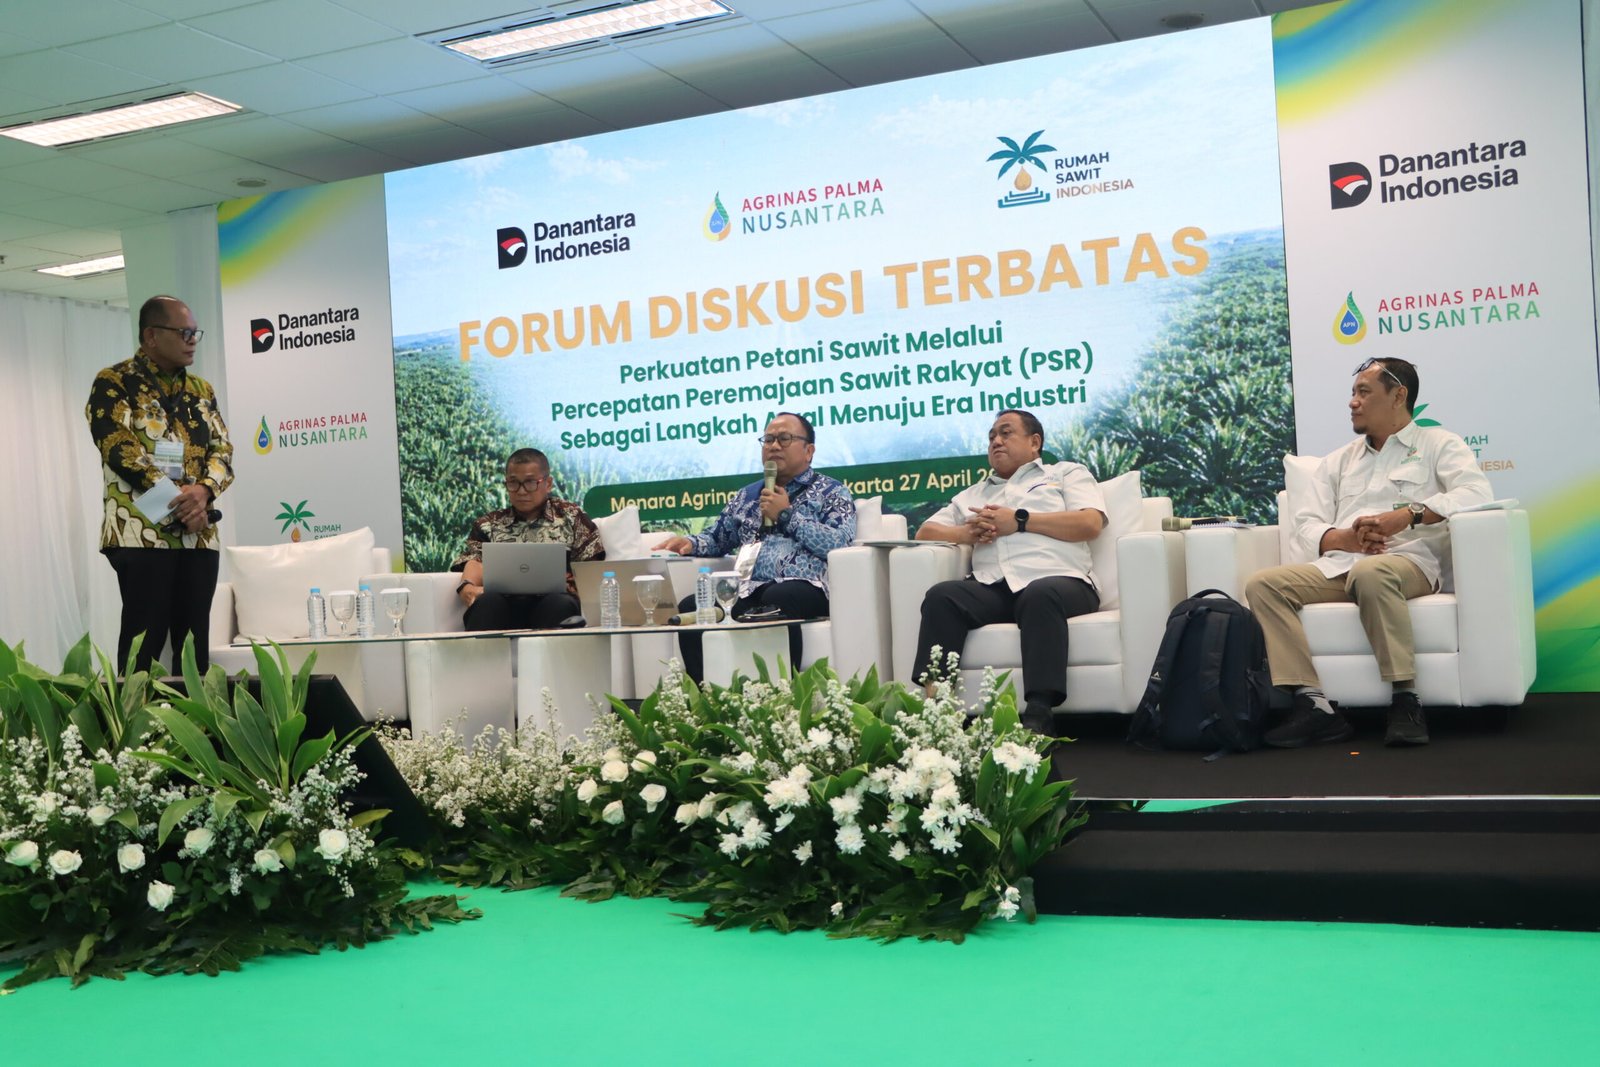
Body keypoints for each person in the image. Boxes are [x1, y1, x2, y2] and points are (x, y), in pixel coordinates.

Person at [1245, 357, 1492, 748]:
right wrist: (1346, 539)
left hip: (1410, 563)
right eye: (1353, 393)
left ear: (1398, 396)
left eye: (1364, 392)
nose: (1353, 402)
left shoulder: (1439, 444)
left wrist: (1407, 515)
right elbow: (1306, 524)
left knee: (1371, 572)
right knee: (1264, 585)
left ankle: (1405, 698)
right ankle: (1313, 705)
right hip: (1342, 565)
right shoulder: (1339, 461)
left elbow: (1476, 494)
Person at [910, 410, 1106, 735]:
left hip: (1062, 581)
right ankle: (937, 713)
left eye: (1005, 433)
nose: (996, 441)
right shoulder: (974, 494)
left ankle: (1039, 714)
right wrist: (966, 533)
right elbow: (925, 532)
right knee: (942, 596)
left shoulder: (1064, 474)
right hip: (994, 588)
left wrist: (1019, 520)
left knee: (1039, 594)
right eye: (991, 437)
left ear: (1034, 442)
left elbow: (1090, 523)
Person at [87, 295, 233, 675]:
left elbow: (222, 449)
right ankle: (136, 716)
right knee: (143, 646)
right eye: (184, 332)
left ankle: (196, 715)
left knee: (194, 652)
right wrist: (180, 502)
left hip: (198, 535)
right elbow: (118, 447)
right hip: (142, 534)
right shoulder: (114, 382)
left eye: (195, 333)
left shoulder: (202, 390)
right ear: (152, 335)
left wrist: (203, 491)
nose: (192, 340)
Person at [660, 412, 855, 680]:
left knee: (780, 596)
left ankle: (783, 691)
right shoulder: (747, 495)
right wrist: (689, 543)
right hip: (747, 588)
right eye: (768, 439)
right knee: (693, 606)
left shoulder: (831, 492)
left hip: (805, 587)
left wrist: (786, 515)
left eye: (784, 439)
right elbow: (718, 538)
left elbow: (838, 544)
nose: (774, 446)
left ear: (809, 451)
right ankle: (706, 694)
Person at [451, 448, 604, 630]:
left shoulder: (571, 517)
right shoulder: (489, 524)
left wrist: (569, 583)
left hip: (553, 601)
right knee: (487, 603)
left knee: (560, 604)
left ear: (548, 483)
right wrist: (467, 587)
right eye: (513, 483)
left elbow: (592, 566)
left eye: (530, 482)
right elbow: (474, 561)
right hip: (502, 603)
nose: (521, 491)